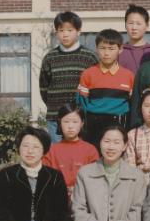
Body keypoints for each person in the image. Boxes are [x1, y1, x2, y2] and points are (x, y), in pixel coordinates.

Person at [38, 11, 98, 142]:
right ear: (56, 32)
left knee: (81, 154)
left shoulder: (90, 57)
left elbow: (95, 88)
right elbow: (44, 88)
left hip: (82, 119)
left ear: (78, 31)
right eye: (61, 30)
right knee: (57, 154)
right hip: (55, 118)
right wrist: (55, 106)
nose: (65, 34)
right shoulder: (50, 58)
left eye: (70, 30)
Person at [76, 29, 134, 147]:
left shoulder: (128, 76)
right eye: (102, 48)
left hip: (119, 121)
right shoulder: (88, 74)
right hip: (93, 123)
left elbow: (132, 103)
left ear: (120, 49)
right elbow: (81, 103)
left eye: (111, 49)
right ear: (96, 48)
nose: (106, 53)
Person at [42, 104, 99, 198]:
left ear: (82, 123)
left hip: (84, 200)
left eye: (75, 122)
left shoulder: (91, 150)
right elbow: (45, 179)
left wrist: (77, 190)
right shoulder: (51, 151)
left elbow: (95, 181)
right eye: (66, 121)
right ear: (59, 123)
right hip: (57, 198)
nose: (70, 126)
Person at [118, 4, 150, 74]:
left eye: (138, 24)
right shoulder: (118, 52)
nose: (134, 27)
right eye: (131, 23)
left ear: (147, 26)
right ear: (125, 25)